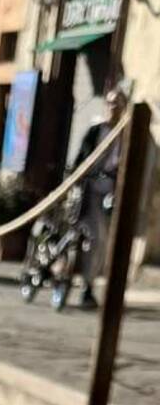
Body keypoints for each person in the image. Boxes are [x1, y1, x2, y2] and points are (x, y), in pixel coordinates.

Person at [72, 88, 126, 309]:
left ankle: (90, 286)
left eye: (118, 104)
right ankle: (76, 279)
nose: (114, 107)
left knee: (103, 241)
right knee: (86, 235)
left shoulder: (126, 137)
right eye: (111, 103)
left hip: (109, 195)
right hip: (88, 190)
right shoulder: (96, 132)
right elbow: (80, 160)